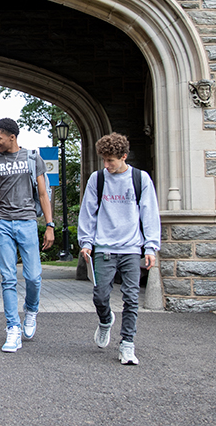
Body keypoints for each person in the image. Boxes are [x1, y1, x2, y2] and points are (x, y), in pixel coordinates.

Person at [78, 132, 160, 365]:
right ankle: (105, 320)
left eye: (110, 160)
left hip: (132, 248)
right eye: (103, 160)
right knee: (100, 295)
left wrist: (151, 247)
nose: (106, 165)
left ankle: (127, 345)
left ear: (124, 156)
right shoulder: (98, 179)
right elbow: (88, 212)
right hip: (104, 246)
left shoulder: (140, 179)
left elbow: (149, 214)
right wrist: (86, 242)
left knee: (131, 298)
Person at [0, 118, 54, 353]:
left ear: (12, 137)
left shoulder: (32, 158)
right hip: (3, 223)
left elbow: (43, 195)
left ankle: (31, 309)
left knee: (33, 276)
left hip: (27, 222)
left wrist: (50, 225)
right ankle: (13, 328)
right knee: (8, 278)